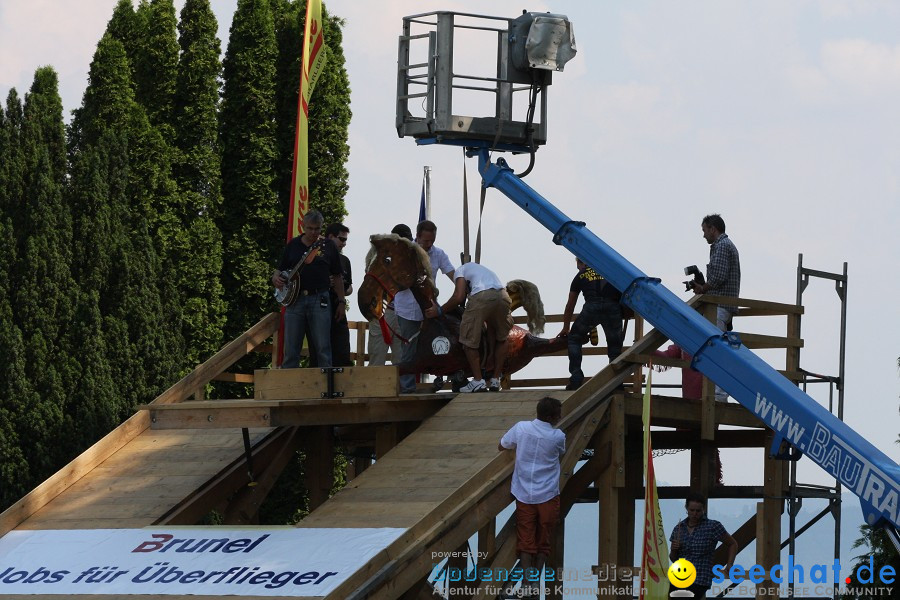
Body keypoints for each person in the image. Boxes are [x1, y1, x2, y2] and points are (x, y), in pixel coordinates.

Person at [498, 397, 566, 600]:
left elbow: (502, 445)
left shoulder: (521, 428)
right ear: (551, 417)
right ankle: (534, 582)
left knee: (525, 539)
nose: (561, 417)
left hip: (524, 492)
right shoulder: (558, 436)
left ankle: (528, 582)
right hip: (547, 494)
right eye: (558, 414)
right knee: (543, 539)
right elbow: (561, 454)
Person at [425, 261, 513, 393]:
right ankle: (495, 379)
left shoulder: (460, 271)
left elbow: (459, 297)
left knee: (468, 340)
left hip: (482, 296)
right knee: (502, 338)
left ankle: (478, 381)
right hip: (503, 296)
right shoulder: (484, 271)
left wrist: (439, 311)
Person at [272, 210, 345, 368]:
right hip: (294, 301)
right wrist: (275, 278)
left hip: (320, 299)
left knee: (323, 348)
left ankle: (327, 388)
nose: (313, 232)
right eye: (310, 228)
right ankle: (290, 388)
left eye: (317, 228)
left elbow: (338, 276)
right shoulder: (293, 245)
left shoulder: (328, 246)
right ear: (302, 226)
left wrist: (341, 302)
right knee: (291, 349)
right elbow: (279, 269)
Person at [393, 220, 455, 393]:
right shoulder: (405, 253)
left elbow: (453, 274)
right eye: (426, 241)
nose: (429, 245)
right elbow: (398, 282)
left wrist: (464, 285)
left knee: (439, 343)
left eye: (432, 241)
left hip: (430, 309)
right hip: (407, 310)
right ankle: (407, 390)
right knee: (409, 350)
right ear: (417, 236)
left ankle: (441, 378)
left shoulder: (439, 253)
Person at [691, 214, 740, 402]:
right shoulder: (726, 246)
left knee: (716, 350)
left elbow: (718, 276)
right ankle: (718, 393)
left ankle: (719, 395)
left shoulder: (721, 246)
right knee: (719, 347)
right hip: (725, 305)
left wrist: (703, 288)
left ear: (713, 229)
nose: (704, 235)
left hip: (720, 306)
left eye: (704, 230)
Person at [558, 258, 624, 391]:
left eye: (578, 265)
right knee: (615, 347)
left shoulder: (581, 275)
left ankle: (576, 377)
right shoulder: (612, 273)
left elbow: (570, 304)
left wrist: (566, 327)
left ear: (581, 262)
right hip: (613, 308)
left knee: (574, 338)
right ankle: (616, 383)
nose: (578, 269)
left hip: (591, 308)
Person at [669, 492, 737, 599]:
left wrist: (730, 564)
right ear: (686, 508)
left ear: (703, 509)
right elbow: (673, 559)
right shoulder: (679, 528)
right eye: (692, 510)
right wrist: (673, 550)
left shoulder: (713, 526)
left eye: (698, 511)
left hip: (699, 578)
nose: (695, 513)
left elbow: (733, 543)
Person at [367, 224, 411, 366]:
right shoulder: (378, 253)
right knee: (377, 355)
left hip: (404, 312)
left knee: (401, 359)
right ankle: (374, 388)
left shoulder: (411, 255)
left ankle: (400, 388)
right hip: (382, 310)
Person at [310, 223, 353, 367]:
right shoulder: (316, 257)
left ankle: (342, 387)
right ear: (330, 237)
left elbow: (349, 288)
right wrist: (323, 282)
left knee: (342, 351)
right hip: (318, 308)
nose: (344, 244)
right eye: (341, 239)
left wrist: (341, 290)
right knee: (319, 351)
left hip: (338, 308)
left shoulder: (345, 261)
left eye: (346, 240)